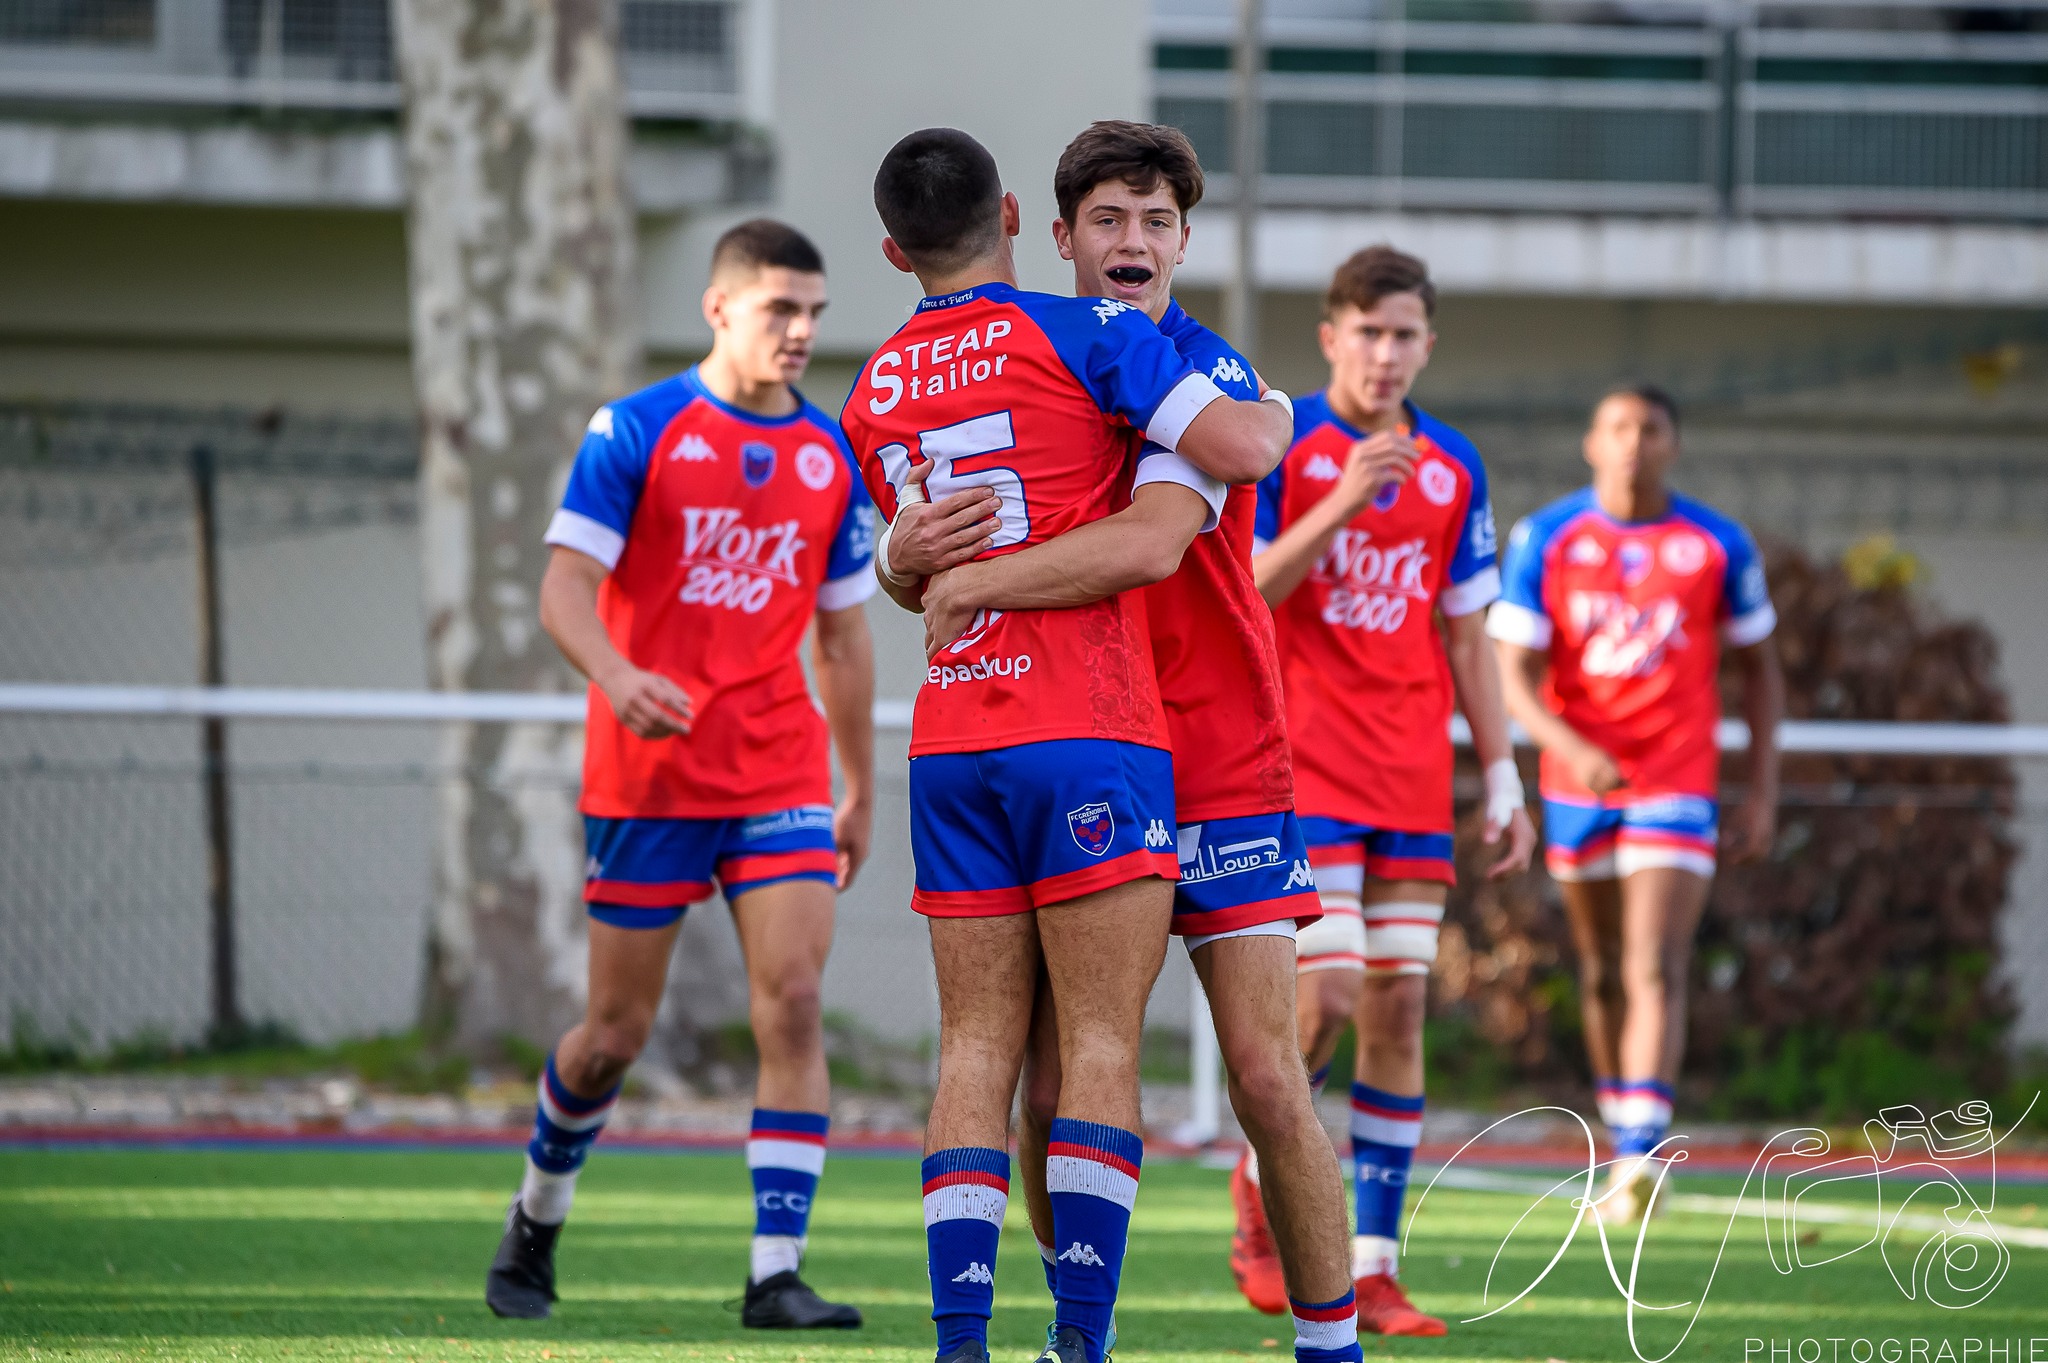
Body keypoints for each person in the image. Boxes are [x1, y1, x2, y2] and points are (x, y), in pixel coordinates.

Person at [888, 120, 1361, 1363]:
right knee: (1047, 1088)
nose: (1132, 243)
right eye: (1108, 220)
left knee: (1265, 1074)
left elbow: (1149, 543)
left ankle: (1331, 1346)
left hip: (1212, 758)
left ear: (1183, 241)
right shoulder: (1051, 358)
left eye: (1156, 222)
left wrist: (969, 585)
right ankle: (1069, 1328)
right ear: (1054, 238)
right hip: (1082, 743)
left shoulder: (1197, 373)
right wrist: (902, 557)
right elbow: (909, 538)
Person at [485, 219, 877, 1329]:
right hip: (647, 776)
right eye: (777, 311)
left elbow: (843, 640)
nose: (800, 332)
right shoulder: (638, 429)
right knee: (612, 1035)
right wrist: (615, 674)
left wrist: (859, 785)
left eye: (812, 313)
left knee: (793, 1003)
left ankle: (773, 1271)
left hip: (779, 767)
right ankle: (537, 1213)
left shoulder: (832, 457)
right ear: (719, 310)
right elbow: (564, 589)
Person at [1249, 245, 1537, 1336]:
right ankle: (1256, 1170)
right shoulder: (1284, 444)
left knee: (1401, 1003)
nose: (1383, 353)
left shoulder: (1453, 465)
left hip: (1411, 776)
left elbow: (1468, 636)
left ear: (1426, 344)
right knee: (1320, 998)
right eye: (1365, 332)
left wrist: (1501, 777)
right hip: (1303, 769)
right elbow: (1246, 587)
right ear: (1330, 337)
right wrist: (1339, 504)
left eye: (1403, 334)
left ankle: (1372, 1265)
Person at [1488, 385, 1782, 1223]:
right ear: (1591, 442)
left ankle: (1641, 1150)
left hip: (1676, 779)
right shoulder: (1546, 536)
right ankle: (1623, 1139)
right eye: (1618, 427)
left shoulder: (1715, 543)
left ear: (1673, 446)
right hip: (1576, 780)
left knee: (1654, 959)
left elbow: (1761, 669)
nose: (1633, 443)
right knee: (1602, 968)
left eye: (1650, 429)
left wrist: (1760, 787)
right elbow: (1510, 672)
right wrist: (1569, 744)